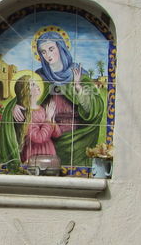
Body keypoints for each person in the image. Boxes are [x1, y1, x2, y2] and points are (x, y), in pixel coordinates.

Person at [10, 29, 106, 168]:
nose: (48, 55)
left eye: (51, 49)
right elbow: (24, 94)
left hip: (77, 138)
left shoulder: (78, 74)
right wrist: (16, 106)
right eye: (43, 52)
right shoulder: (39, 76)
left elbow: (95, 109)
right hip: (47, 136)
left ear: (61, 48)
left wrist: (78, 87)